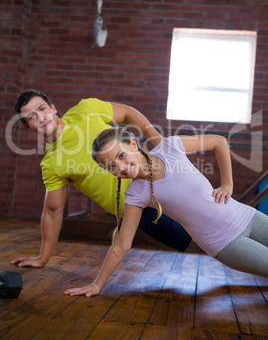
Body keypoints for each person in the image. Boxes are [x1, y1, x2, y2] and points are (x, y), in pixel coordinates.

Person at [64, 127, 268, 298]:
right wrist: (97, 284)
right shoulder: (136, 195)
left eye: (121, 155)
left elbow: (219, 142)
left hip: (247, 216)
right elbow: (121, 245)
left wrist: (227, 184)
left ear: (133, 144)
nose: (121, 167)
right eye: (111, 166)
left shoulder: (171, 147)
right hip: (225, 243)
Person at [10, 90, 191, 268]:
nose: (41, 118)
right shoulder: (51, 164)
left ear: (53, 108)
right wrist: (43, 257)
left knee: (211, 220)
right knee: (190, 243)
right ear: (27, 126)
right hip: (140, 211)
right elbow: (52, 212)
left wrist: (159, 141)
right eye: (32, 116)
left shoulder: (85, 109)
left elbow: (128, 113)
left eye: (42, 109)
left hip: (158, 179)